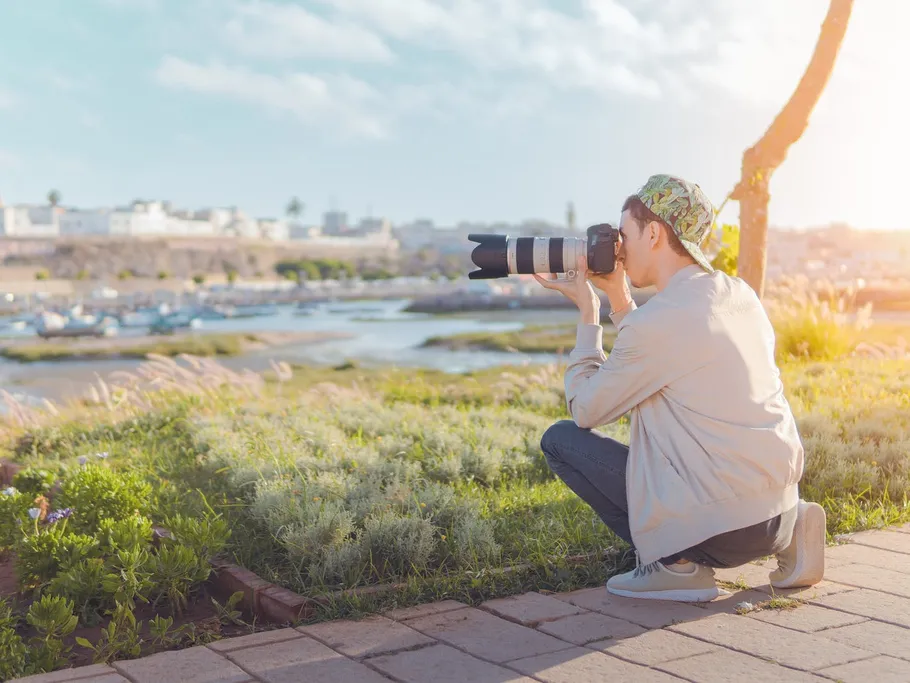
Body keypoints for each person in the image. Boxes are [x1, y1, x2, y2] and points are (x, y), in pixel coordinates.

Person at [535, 174, 825, 602]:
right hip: (775, 511)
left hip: (718, 531)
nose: (618, 248)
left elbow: (586, 409)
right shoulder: (739, 295)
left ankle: (676, 565)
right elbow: (655, 349)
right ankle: (794, 530)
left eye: (624, 234)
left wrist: (588, 314)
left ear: (653, 233)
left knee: (561, 439)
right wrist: (620, 296)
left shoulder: (659, 322)